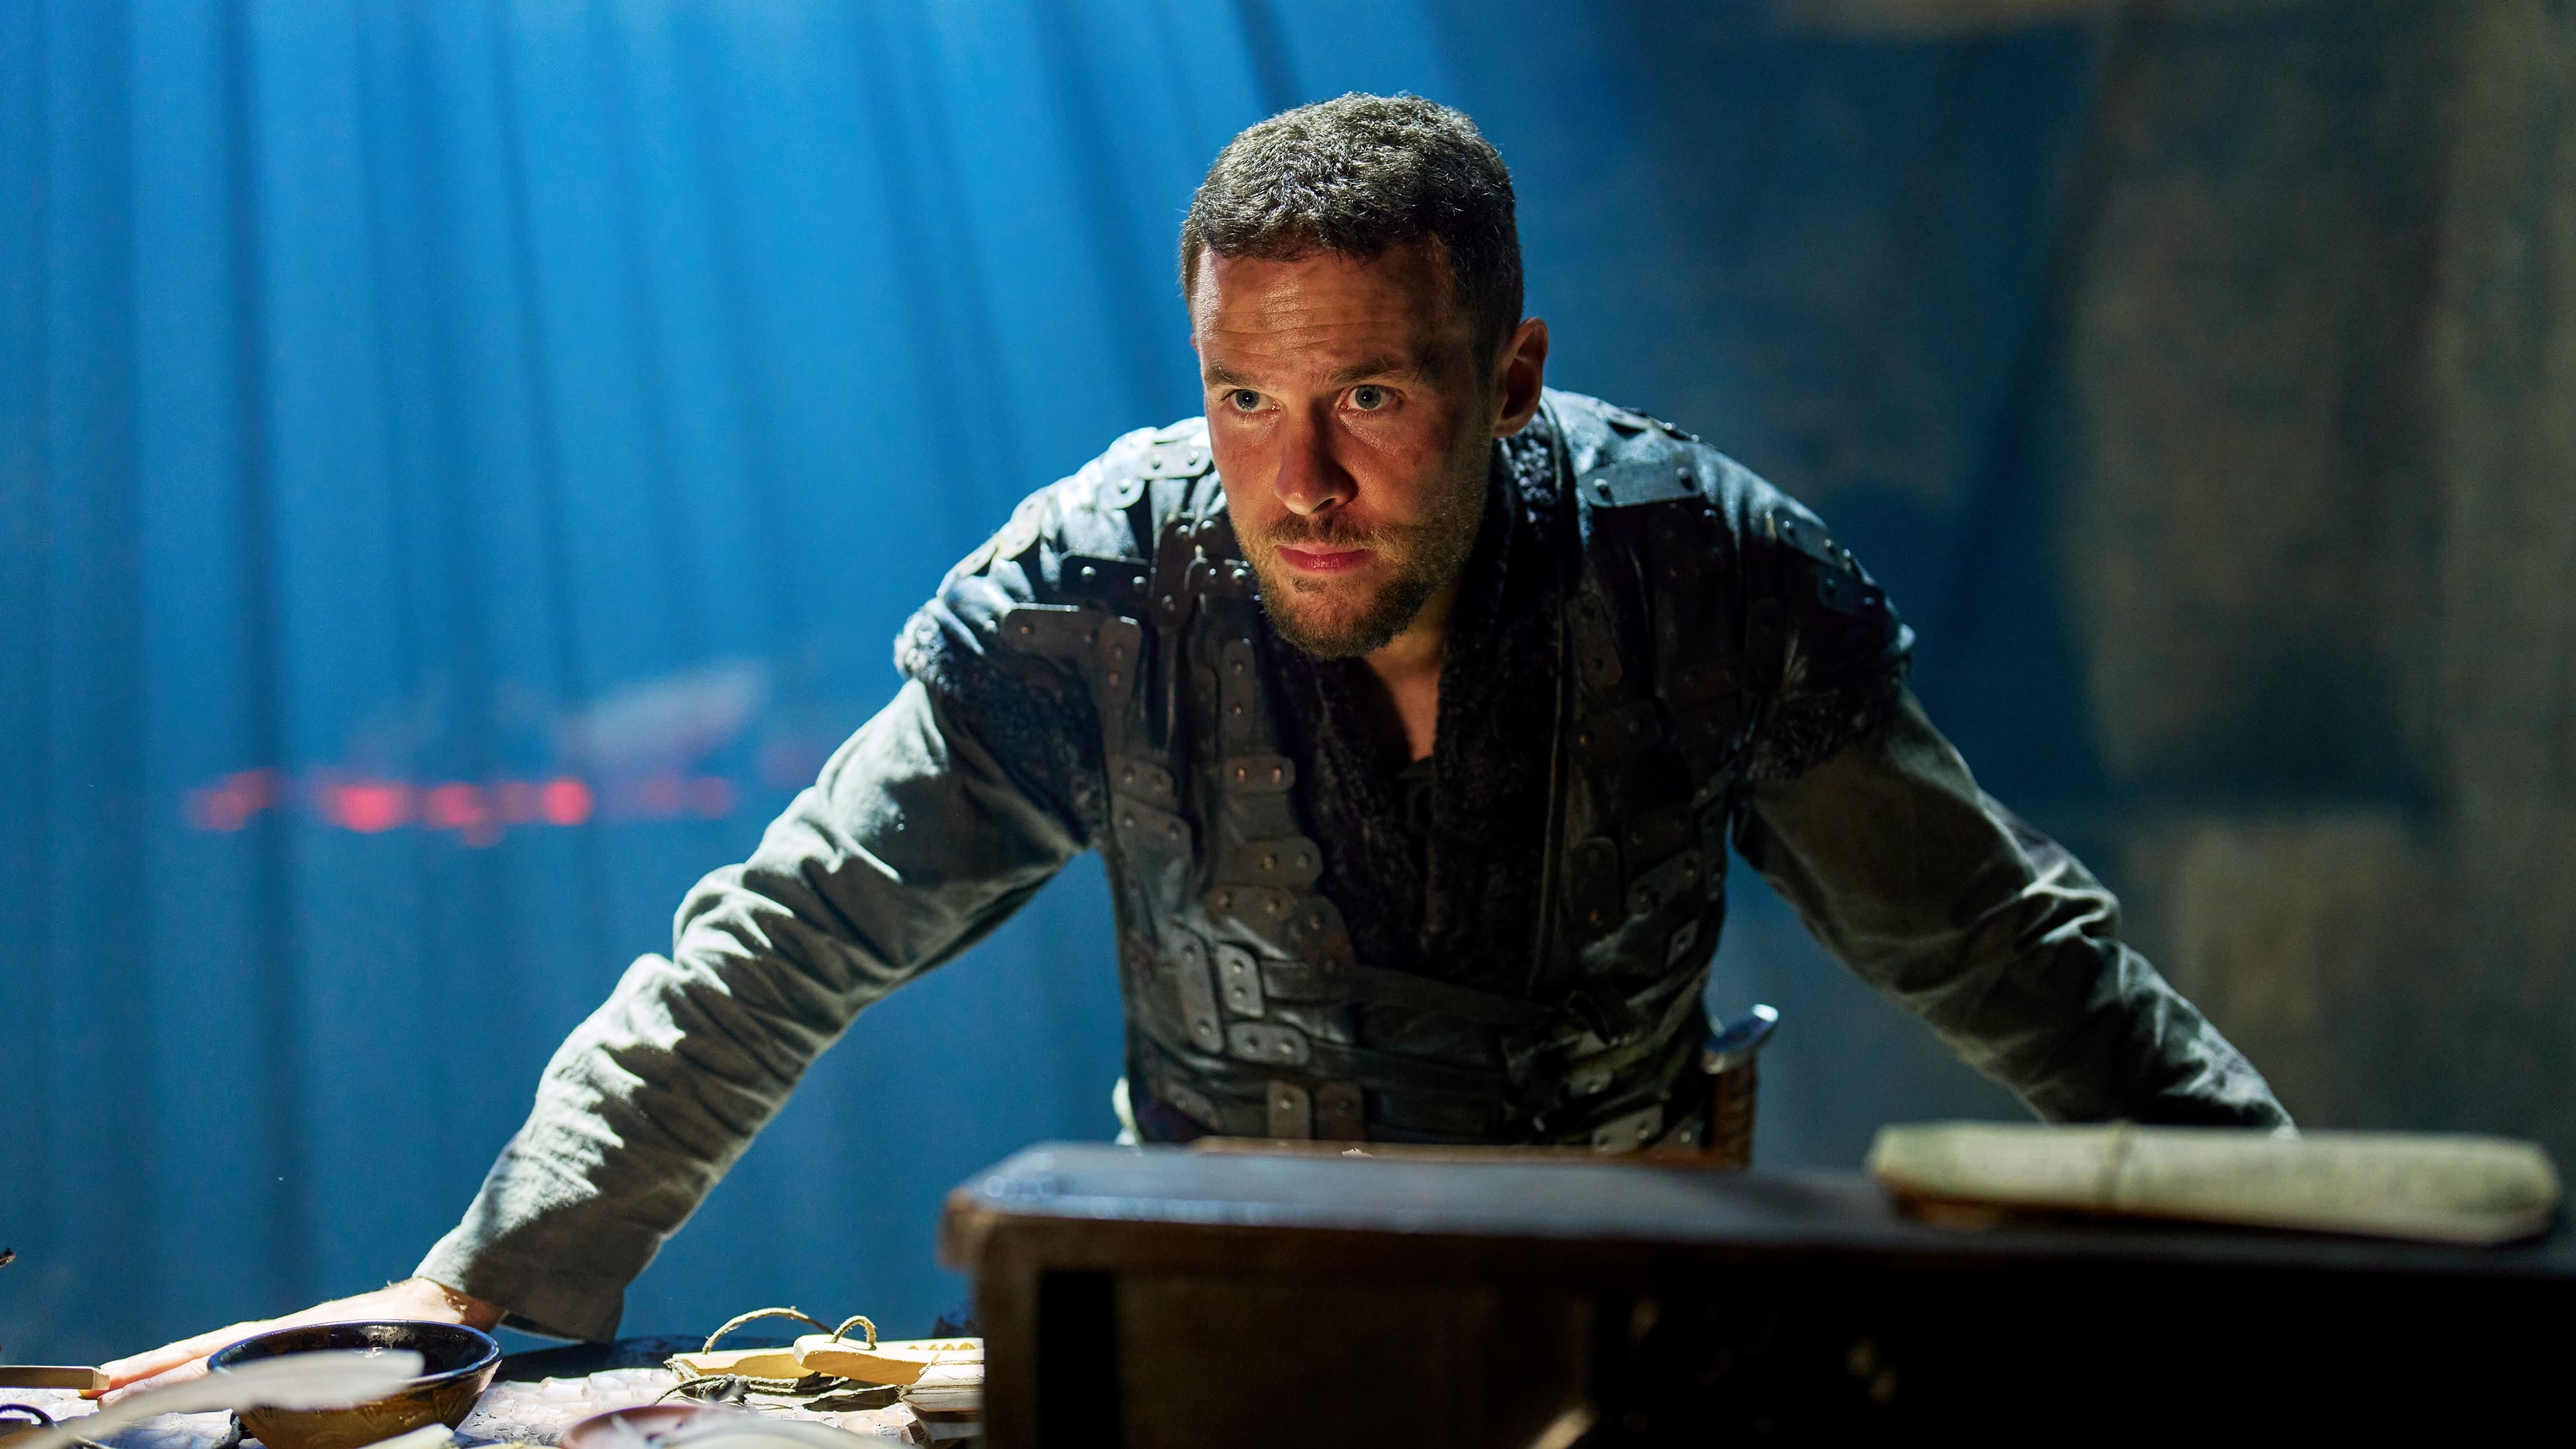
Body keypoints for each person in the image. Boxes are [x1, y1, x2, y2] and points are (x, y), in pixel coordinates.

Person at [105, 92, 2286, 1381]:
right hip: (1208, 1341)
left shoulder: (1696, 580)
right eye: (1247, 401)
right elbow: (783, 943)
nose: (1298, 483)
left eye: (1373, 399)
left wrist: (2313, 1245)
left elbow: (2003, 947)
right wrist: (494, 1289)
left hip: (1625, 1342)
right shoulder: (1100, 601)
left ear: (1514, 377)